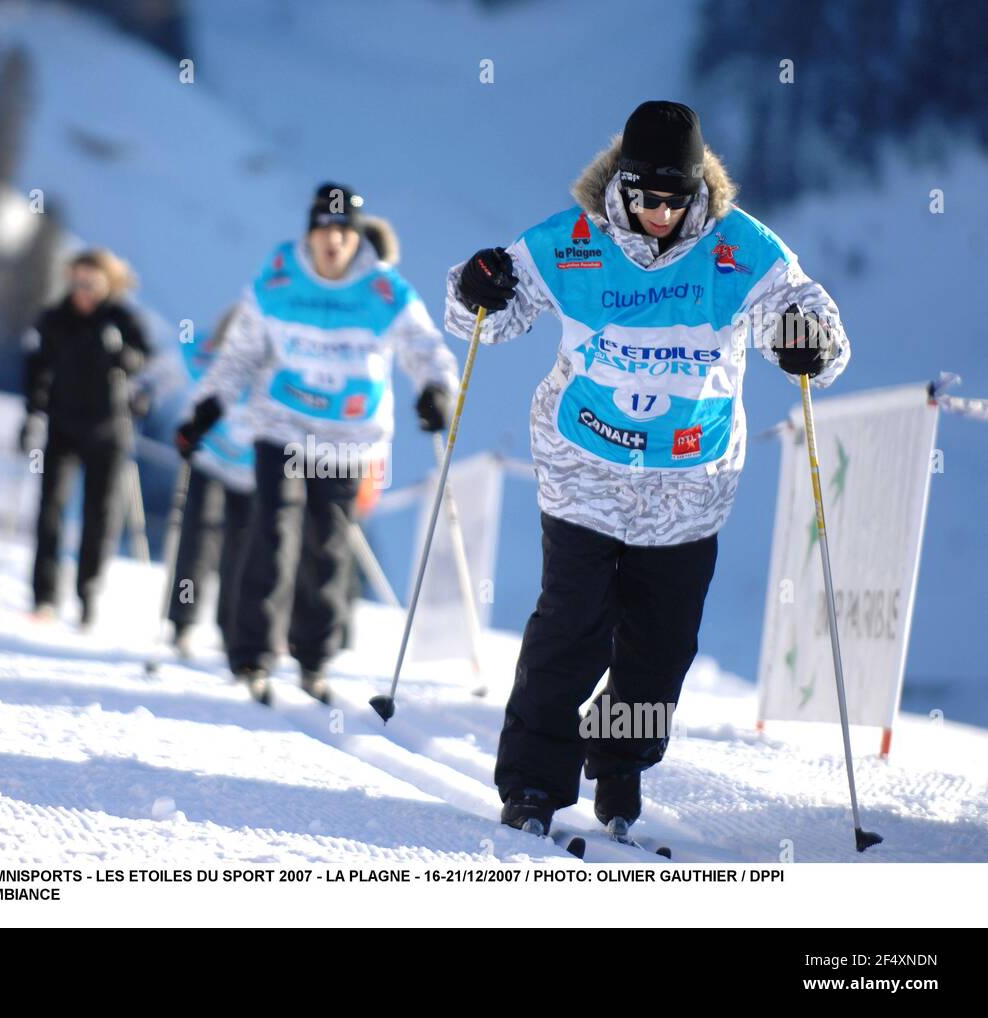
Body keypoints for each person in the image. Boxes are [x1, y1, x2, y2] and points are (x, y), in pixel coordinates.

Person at [445, 101, 851, 838]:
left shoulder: (740, 248)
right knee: (571, 628)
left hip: (690, 488)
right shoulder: (570, 242)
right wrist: (476, 286)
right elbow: (489, 320)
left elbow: (807, 318)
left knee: (661, 647)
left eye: (677, 197)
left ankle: (620, 758)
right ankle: (534, 784)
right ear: (622, 184)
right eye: (648, 197)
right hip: (584, 472)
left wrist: (809, 342)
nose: (662, 212)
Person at [177, 183, 459, 704]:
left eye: (344, 232)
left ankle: (313, 660)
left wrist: (436, 389)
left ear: (358, 238)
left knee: (327, 545)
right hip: (281, 424)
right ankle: (253, 657)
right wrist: (208, 406)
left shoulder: (382, 289)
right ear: (309, 233)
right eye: (325, 230)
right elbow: (240, 351)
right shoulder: (279, 276)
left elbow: (423, 346)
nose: (334, 241)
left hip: (350, 436)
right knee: (272, 532)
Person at [22, 249, 150, 628]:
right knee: (51, 509)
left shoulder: (123, 319)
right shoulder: (55, 317)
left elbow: (145, 364)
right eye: (76, 281)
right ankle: (44, 596)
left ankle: (88, 594)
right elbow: (36, 365)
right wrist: (33, 410)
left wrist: (122, 355)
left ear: (107, 283)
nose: (81, 291)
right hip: (62, 426)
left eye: (90, 283)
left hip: (109, 430)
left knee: (100, 515)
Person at [166, 304, 256, 658]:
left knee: (241, 552)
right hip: (208, 460)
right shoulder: (205, 354)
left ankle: (230, 626)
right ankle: (183, 621)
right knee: (196, 542)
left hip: (250, 472)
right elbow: (173, 376)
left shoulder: (272, 370)